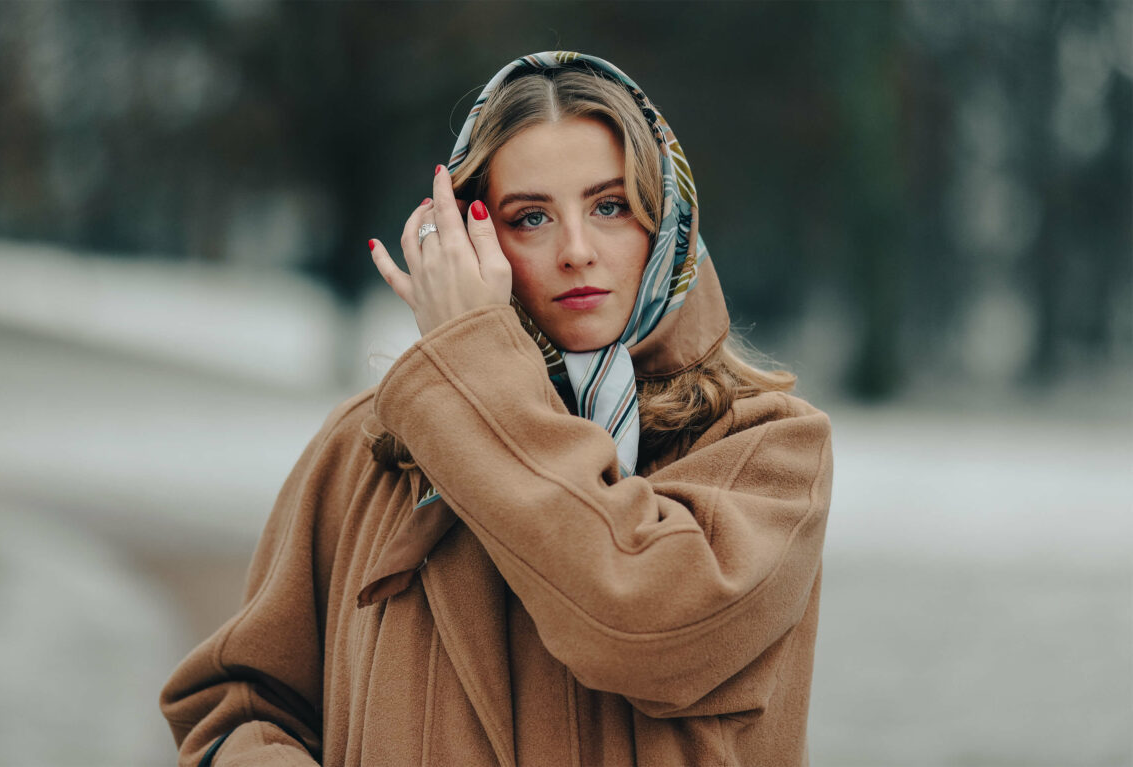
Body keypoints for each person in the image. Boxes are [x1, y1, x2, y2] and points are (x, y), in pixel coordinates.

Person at [160, 51, 833, 767]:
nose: (576, 250)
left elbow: (633, 620)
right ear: (471, 238)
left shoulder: (768, 451)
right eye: (531, 217)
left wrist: (472, 375)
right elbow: (237, 704)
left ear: (667, 217)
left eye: (609, 206)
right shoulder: (366, 448)